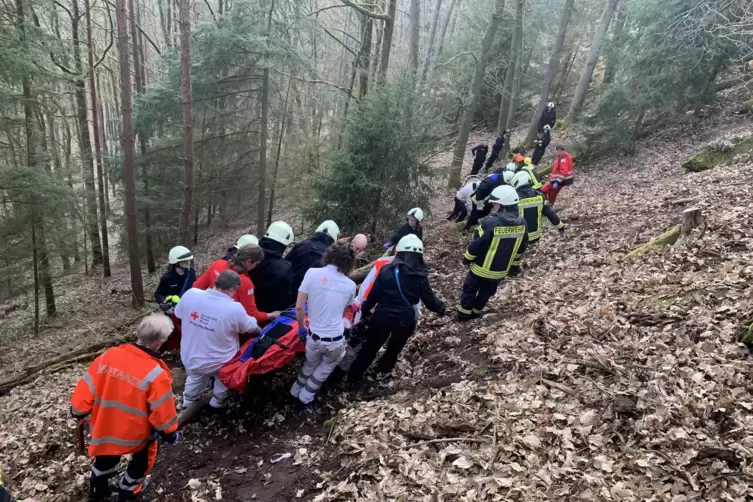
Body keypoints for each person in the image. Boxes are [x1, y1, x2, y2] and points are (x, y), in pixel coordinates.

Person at [71, 315, 179, 501]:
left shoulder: (108, 356)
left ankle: (98, 489)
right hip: (136, 434)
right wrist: (170, 434)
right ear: (159, 342)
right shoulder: (156, 374)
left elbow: (86, 386)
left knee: (105, 455)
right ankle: (128, 490)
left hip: (105, 427)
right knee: (143, 458)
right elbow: (163, 414)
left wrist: (78, 411)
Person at [347, 235, 445, 384]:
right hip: (404, 321)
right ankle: (384, 367)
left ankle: (353, 378)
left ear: (398, 252)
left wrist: (364, 312)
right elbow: (429, 300)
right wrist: (441, 308)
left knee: (370, 348)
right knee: (394, 348)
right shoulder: (420, 276)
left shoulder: (386, 270)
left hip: (381, 318)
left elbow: (373, 296)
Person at [176, 270, 260, 410]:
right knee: (223, 378)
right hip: (219, 361)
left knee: (195, 378)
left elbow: (179, 313)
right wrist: (260, 331)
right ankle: (217, 402)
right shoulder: (233, 308)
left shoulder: (191, 294)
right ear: (232, 289)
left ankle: (188, 402)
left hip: (190, 356)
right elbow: (250, 326)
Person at [290, 242, 357, 406]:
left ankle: (295, 391)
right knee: (325, 368)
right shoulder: (350, 285)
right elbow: (342, 312)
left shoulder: (312, 273)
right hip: (334, 339)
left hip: (313, 335)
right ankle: (305, 398)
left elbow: (299, 307)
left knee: (310, 363)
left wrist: (300, 328)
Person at [458, 185, 529, 321]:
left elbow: (477, 244)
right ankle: (476, 311)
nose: (493, 206)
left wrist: (467, 258)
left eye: (495, 204)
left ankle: (463, 314)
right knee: (486, 292)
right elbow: (522, 247)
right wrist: (514, 266)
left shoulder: (491, 223)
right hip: (500, 271)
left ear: (503, 205)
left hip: (481, 268)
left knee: (470, 289)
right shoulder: (522, 223)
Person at [194, 245, 280, 324]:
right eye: (256, 264)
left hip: (206, 315)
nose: (256, 267)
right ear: (249, 262)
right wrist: (270, 315)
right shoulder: (245, 282)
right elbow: (251, 315)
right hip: (226, 324)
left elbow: (196, 287)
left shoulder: (218, 264)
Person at [249, 222, 295, 313]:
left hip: (241, 312)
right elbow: (285, 299)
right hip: (268, 318)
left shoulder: (248, 254)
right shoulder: (284, 268)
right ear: (284, 245)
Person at [286, 220, 340, 297]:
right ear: (334, 238)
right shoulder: (330, 257)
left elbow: (286, 262)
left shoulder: (302, 245)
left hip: (286, 291)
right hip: (305, 299)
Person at [511, 171, 564, 242]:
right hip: (536, 236)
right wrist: (560, 227)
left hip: (521, 237)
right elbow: (550, 213)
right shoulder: (539, 196)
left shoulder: (515, 199)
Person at [154, 246, 196, 313]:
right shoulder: (167, 278)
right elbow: (159, 294)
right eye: (184, 261)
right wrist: (163, 303)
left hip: (188, 309)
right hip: (173, 310)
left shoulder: (191, 272)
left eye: (188, 260)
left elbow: (195, 288)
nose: (188, 262)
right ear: (176, 262)